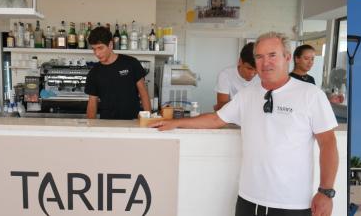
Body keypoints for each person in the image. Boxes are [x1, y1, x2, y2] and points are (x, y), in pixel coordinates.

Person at [151, 32, 338, 216]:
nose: (266, 62)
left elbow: (328, 143)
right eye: (260, 57)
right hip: (248, 200)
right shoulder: (247, 95)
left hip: (292, 204)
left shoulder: (311, 95)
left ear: (287, 57)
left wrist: (326, 192)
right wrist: (175, 122)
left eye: (272, 55)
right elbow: (216, 119)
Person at [85, 26, 151, 119]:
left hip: (133, 122)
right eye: (94, 49)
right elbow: (92, 102)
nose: (97, 53)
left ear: (110, 45)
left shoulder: (131, 63)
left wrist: (147, 119)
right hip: (107, 125)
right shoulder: (94, 72)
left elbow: (143, 93)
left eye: (100, 48)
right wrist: (90, 127)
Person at [214, 42, 259, 111]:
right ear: (240, 61)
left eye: (256, 70)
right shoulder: (226, 75)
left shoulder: (263, 76)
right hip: (231, 119)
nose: (252, 74)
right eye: (249, 68)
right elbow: (221, 107)